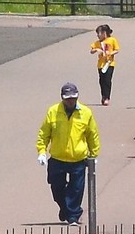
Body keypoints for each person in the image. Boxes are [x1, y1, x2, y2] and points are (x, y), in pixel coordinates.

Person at [35, 82, 101, 226]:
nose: (71, 101)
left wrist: (94, 155)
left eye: (73, 98)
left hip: (78, 159)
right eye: (68, 98)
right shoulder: (53, 111)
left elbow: (92, 134)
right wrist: (41, 151)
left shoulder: (86, 113)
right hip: (58, 158)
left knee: (76, 189)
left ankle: (73, 216)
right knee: (56, 187)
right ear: (62, 98)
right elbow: (44, 133)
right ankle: (65, 209)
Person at [90, 24, 120, 107]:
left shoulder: (112, 40)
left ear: (104, 33)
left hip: (109, 63)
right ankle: (103, 96)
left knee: (107, 80)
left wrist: (110, 53)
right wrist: (96, 50)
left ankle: (107, 97)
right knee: (101, 81)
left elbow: (117, 50)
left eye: (99, 33)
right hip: (100, 64)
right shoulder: (98, 43)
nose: (98, 36)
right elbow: (92, 50)